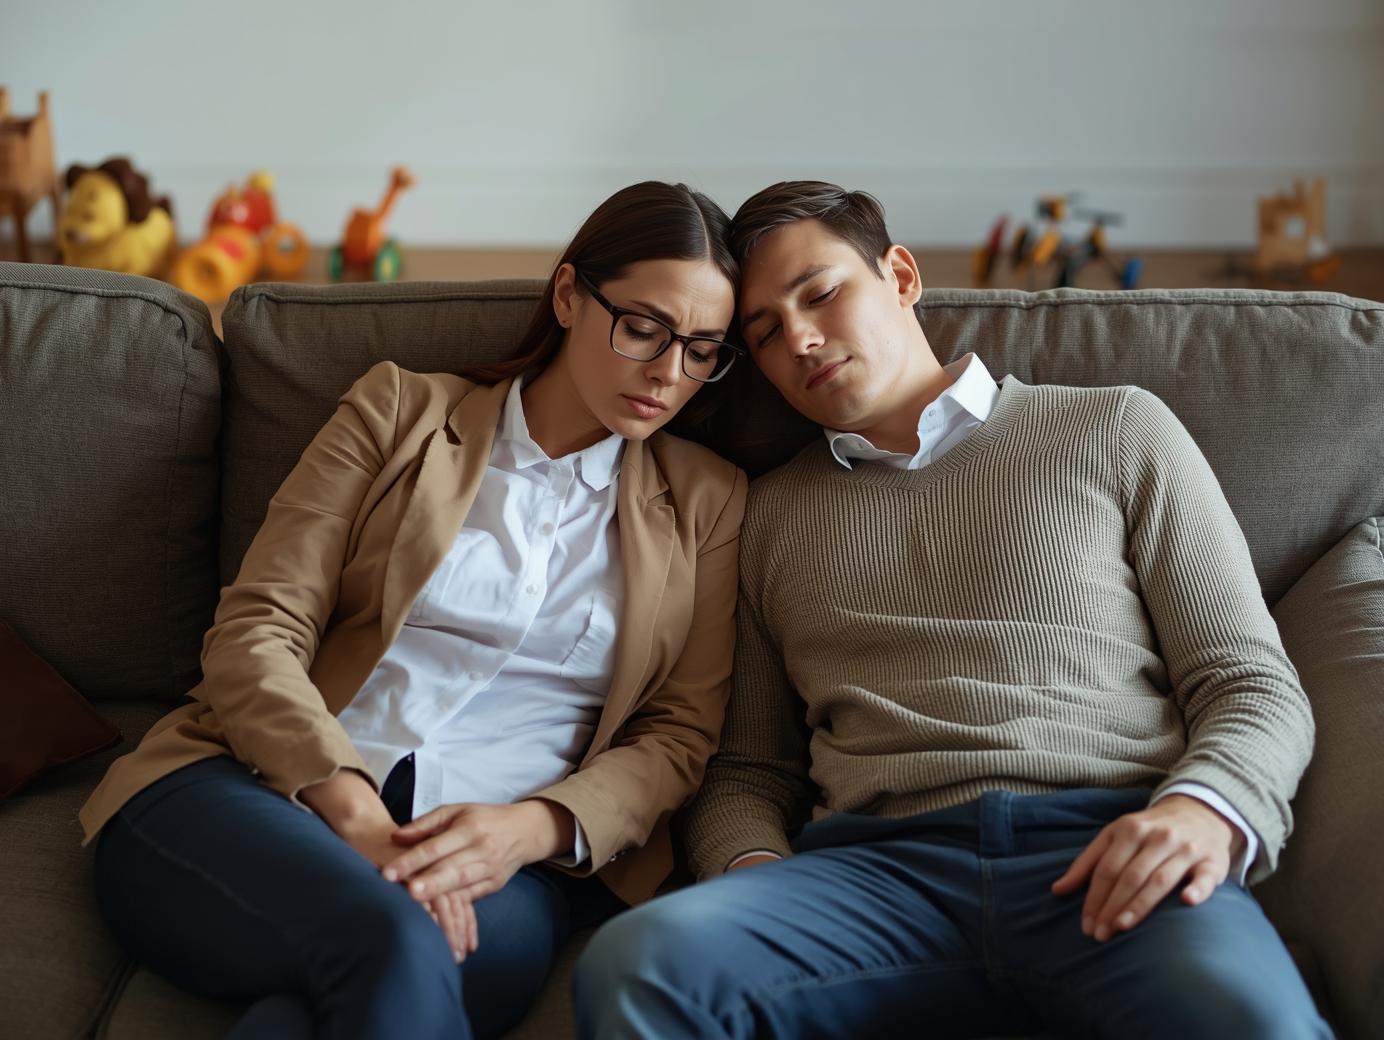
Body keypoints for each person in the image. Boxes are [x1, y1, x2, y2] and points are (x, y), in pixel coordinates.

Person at [573, 181, 1330, 1038]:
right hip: (872, 877)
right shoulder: (765, 516)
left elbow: (1250, 682)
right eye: (766, 334)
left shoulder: (1116, 430)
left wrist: (1205, 809)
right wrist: (753, 873)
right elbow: (747, 770)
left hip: (1106, 844)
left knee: (1253, 1022)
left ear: (899, 275)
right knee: (642, 967)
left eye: (820, 295)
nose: (803, 341)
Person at [78, 180, 748, 1040]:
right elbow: (257, 630)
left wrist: (532, 829)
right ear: (571, 294)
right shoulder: (399, 410)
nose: (668, 372)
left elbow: (678, 735)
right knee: (394, 934)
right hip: (260, 794)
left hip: (505, 869)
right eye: (646, 328)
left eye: (703, 349)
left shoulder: (707, 501)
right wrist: (355, 816)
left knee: (320, 1006)